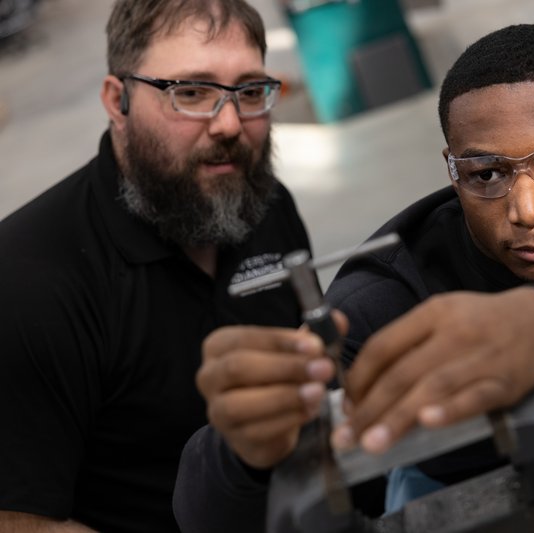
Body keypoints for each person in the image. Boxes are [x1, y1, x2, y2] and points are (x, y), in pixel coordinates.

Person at [172, 23, 534, 530]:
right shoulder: (394, 288)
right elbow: (209, 513)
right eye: (486, 175)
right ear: (453, 173)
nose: (526, 209)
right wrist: (242, 453)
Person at [0, 1, 337, 531]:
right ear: (118, 101)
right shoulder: (28, 281)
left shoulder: (265, 206)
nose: (229, 124)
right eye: (192, 92)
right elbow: (22, 522)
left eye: (249, 92)